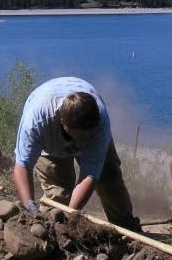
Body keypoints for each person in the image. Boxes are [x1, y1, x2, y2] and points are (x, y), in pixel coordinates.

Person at [12, 76, 141, 232]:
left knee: (109, 177)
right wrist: (29, 205)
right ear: (63, 123)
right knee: (58, 193)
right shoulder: (36, 122)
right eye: (79, 135)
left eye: (88, 135)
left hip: (89, 133)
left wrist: (70, 215)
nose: (83, 142)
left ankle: (127, 229)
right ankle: (50, 230)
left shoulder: (99, 125)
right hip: (50, 142)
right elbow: (22, 166)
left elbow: (90, 176)